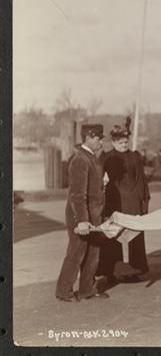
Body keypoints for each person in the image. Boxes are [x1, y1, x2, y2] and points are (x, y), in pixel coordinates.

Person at [55, 124, 108, 302]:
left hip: (94, 215)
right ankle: (63, 291)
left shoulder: (90, 157)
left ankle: (87, 289)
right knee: (76, 253)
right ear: (88, 138)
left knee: (93, 253)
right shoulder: (80, 160)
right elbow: (77, 195)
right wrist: (82, 221)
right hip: (81, 216)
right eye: (98, 138)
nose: (101, 142)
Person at [98, 118, 150, 284]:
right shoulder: (107, 157)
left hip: (133, 200)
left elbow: (141, 179)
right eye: (120, 143)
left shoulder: (135, 156)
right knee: (113, 234)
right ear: (113, 142)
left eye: (126, 142)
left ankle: (133, 270)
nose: (124, 145)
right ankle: (111, 271)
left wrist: (144, 200)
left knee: (134, 235)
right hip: (115, 201)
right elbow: (98, 179)